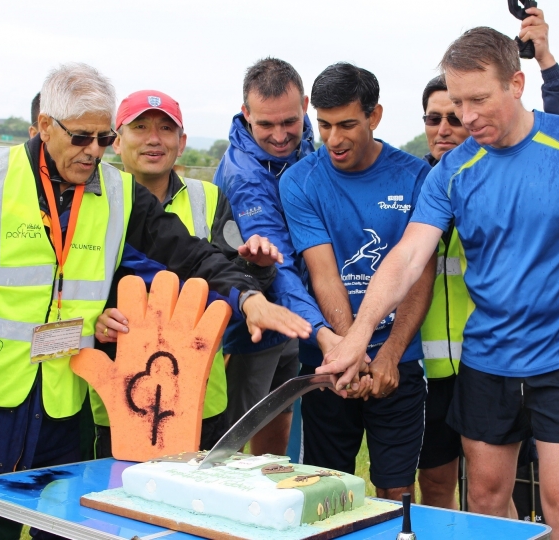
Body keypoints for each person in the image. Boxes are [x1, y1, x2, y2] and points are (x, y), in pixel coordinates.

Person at [0, 62, 311, 540]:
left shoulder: (121, 193)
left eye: (105, 139)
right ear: (45, 126)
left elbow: (192, 253)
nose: (94, 152)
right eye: (82, 137)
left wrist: (248, 297)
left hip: (66, 400)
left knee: (62, 528)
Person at [319, 28, 559, 540]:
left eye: (479, 99)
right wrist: (359, 335)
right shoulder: (452, 171)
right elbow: (405, 258)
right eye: (458, 102)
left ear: (517, 83)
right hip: (485, 363)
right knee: (483, 504)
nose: (467, 117)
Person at [416, 7, 559, 510]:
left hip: (546, 353)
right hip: (451, 366)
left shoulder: (553, 156)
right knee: (472, 495)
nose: (453, 124)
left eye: (465, 110)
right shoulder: (431, 179)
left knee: (549, 497)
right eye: (439, 115)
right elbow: (404, 260)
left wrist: (548, 63)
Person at [93, 89, 281, 455]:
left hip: (201, 396)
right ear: (116, 140)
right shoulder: (93, 199)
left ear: (181, 143)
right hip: (118, 395)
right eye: (140, 127)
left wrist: (259, 270)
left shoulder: (209, 199)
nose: (153, 138)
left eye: (166, 129)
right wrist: (97, 322)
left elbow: (233, 278)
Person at [280, 62, 434, 502]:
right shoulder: (300, 181)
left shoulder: (415, 177)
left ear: (375, 115)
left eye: (347, 124)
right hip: (330, 360)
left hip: (397, 356)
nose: (334, 139)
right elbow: (323, 274)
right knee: (328, 492)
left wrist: (387, 356)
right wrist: (352, 357)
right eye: (323, 125)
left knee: (397, 489)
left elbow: (419, 275)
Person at [214, 58, 340, 456]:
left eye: (289, 121)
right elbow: (278, 263)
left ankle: (269, 496)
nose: (281, 135)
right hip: (249, 321)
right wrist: (322, 333)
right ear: (245, 113)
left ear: (305, 105)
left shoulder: (305, 146)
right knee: (233, 433)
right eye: (266, 125)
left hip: (294, 318)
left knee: (280, 415)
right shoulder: (246, 176)